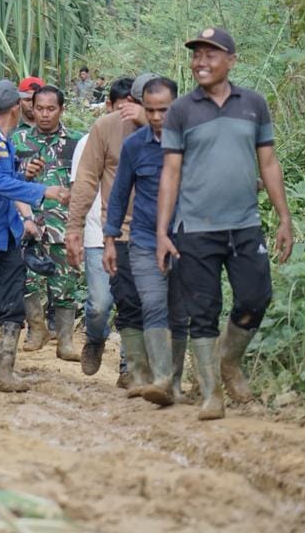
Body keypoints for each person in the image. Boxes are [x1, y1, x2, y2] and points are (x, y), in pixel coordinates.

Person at [156, 27, 294, 421]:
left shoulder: (254, 104)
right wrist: (162, 232)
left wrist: (284, 218)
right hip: (195, 228)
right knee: (202, 311)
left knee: (256, 297)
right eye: (196, 54)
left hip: (245, 223)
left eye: (210, 54)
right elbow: (170, 173)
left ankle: (229, 360)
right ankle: (212, 395)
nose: (201, 61)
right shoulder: (181, 110)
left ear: (231, 60)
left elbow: (268, 162)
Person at [0, 80, 71, 392]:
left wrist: (23, 176)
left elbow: (4, 180)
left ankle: (4, 368)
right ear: (17, 109)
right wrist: (44, 189)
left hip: (6, 232)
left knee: (12, 300)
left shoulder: (2, 140)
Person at [104, 76, 190, 407]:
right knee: (153, 304)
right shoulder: (135, 146)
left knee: (180, 313)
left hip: (186, 238)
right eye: (150, 110)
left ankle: (176, 382)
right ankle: (162, 379)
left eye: (163, 110)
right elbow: (120, 193)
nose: (156, 117)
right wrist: (111, 238)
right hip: (142, 238)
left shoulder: (192, 143)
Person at [66, 75, 151, 391]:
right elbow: (86, 179)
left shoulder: (171, 129)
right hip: (102, 232)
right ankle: (96, 337)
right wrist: (73, 227)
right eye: (140, 103)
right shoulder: (105, 127)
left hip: (148, 234)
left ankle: (131, 368)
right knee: (100, 303)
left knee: (136, 301)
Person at [11, 84, 83, 361]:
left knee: (65, 281)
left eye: (50, 109)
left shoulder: (77, 142)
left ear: (61, 110)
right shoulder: (18, 141)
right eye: (39, 108)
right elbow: (6, 183)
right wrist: (25, 175)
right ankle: (36, 329)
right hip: (27, 222)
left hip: (63, 224)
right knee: (24, 278)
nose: (44, 114)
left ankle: (65, 340)